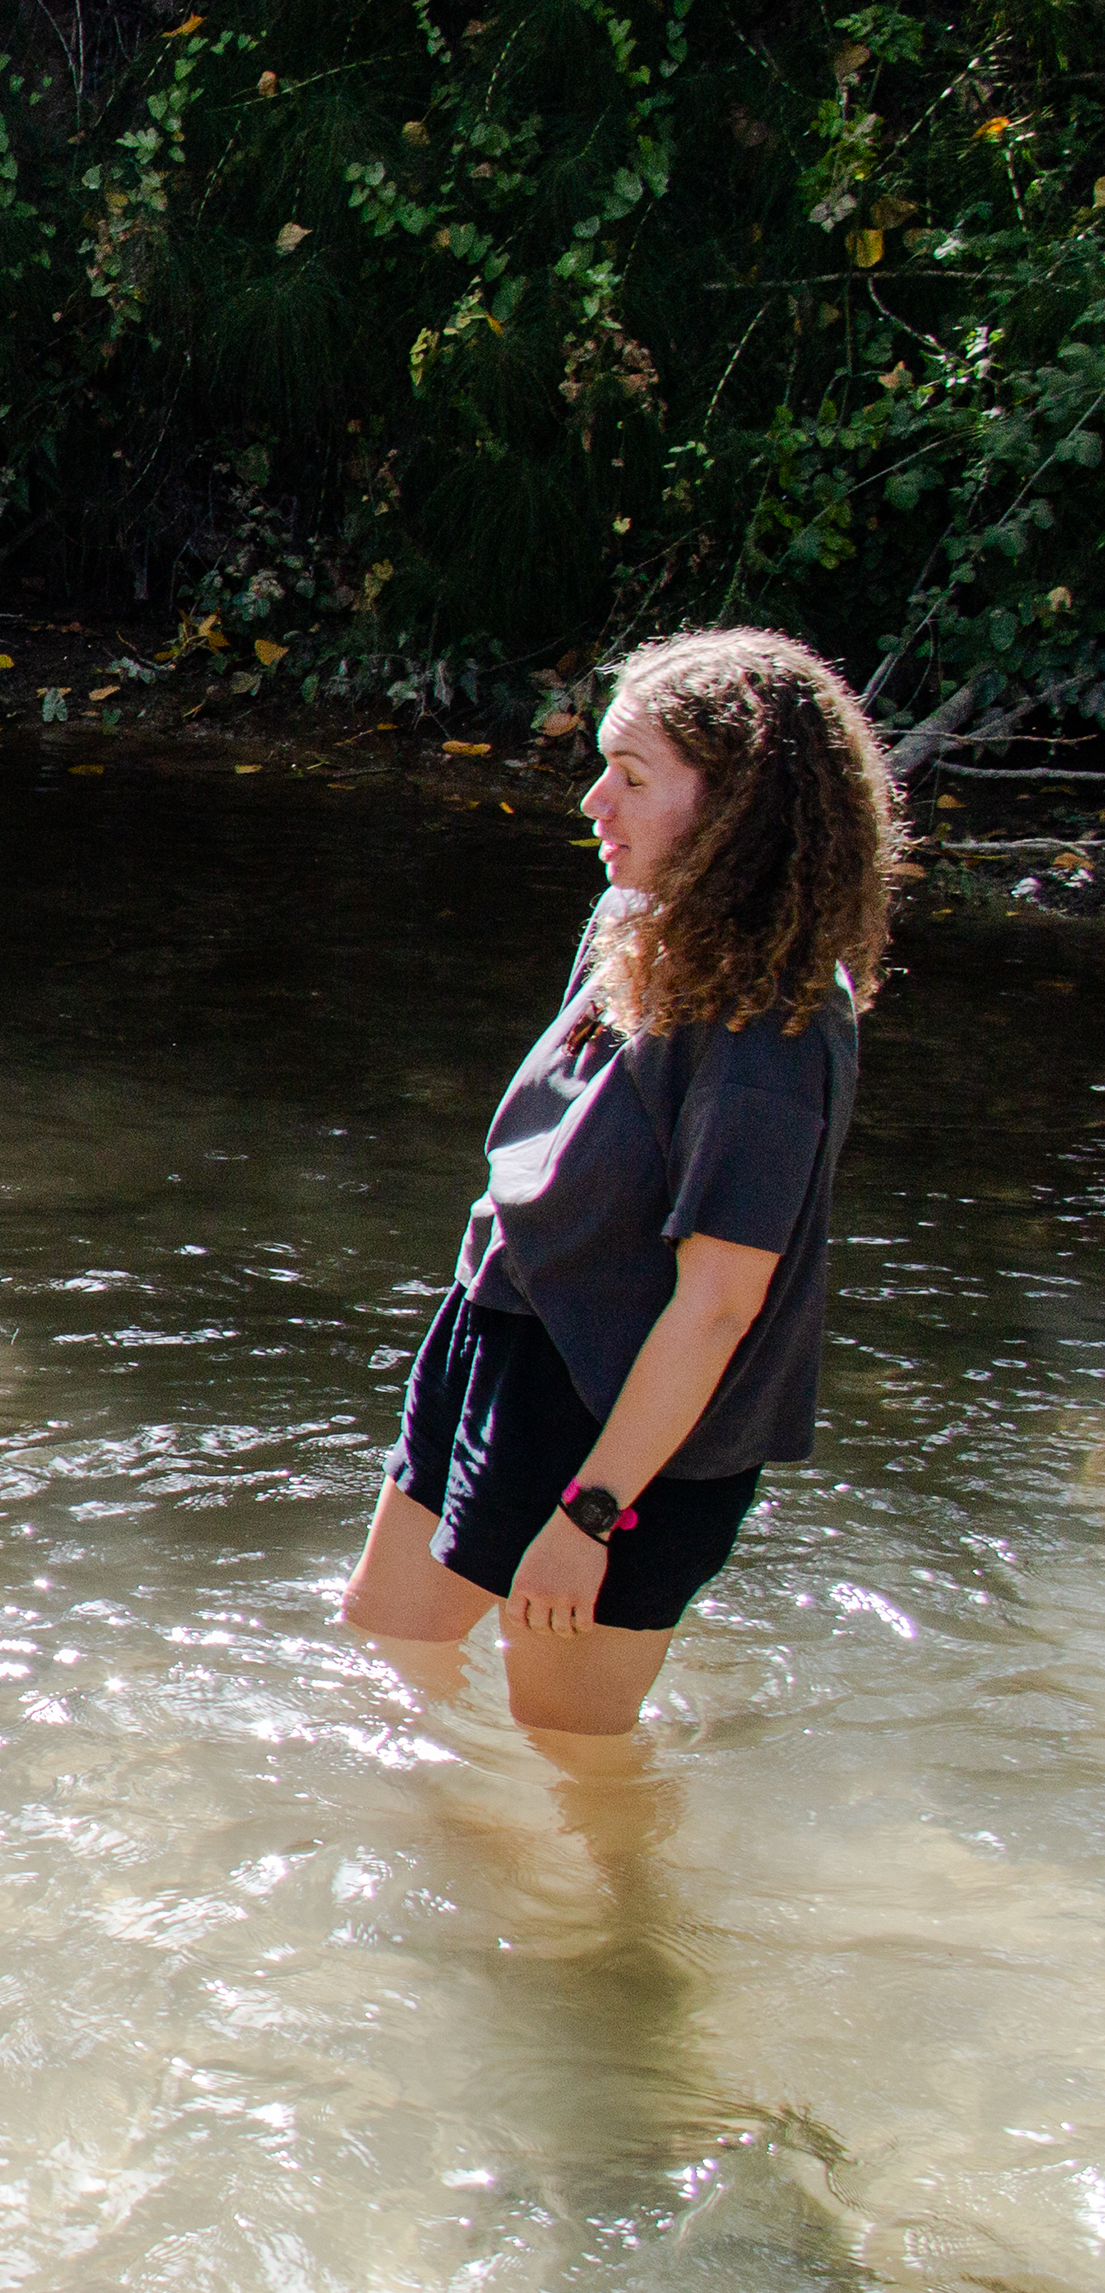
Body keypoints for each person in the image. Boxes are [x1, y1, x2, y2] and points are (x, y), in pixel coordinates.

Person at [339, 626, 900, 1741]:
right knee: (387, 1655)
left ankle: (609, 1924)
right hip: (504, 1336)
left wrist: (590, 1517)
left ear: (739, 813)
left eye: (633, 779)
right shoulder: (634, 922)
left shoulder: (771, 1035)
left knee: (575, 1770)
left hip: (633, 1435)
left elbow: (720, 1307)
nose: (594, 802)